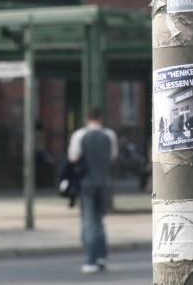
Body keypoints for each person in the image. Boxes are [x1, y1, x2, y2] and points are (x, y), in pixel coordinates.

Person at [67, 108, 117, 275]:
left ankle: (90, 259)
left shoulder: (79, 135)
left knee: (88, 221)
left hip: (86, 182)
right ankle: (102, 256)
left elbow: (73, 157)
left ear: (86, 118)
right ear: (101, 117)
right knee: (99, 219)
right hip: (105, 182)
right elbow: (112, 156)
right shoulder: (110, 135)